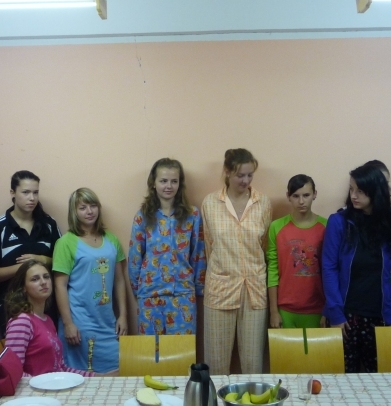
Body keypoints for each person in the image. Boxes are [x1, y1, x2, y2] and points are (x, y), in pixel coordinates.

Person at [322, 164, 391, 373]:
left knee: (380, 380)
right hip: (345, 316)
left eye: (360, 191)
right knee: (342, 379)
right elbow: (328, 267)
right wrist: (335, 314)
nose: (353, 195)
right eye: (351, 189)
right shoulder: (339, 221)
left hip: (382, 316)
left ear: (375, 191)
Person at [201, 148, 272, 375]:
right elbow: (209, 246)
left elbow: (264, 246)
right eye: (240, 175)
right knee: (216, 363)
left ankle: (251, 401)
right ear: (227, 172)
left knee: (253, 363)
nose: (245, 180)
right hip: (220, 288)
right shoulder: (210, 203)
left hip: (254, 290)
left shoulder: (263, 203)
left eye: (250, 175)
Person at [128, 158, 206, 336]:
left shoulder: (192, 215)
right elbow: (135, 257)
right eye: (163, 181)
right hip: (149, 295)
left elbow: (198, 255)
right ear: (153, 183)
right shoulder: (142, 217)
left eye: (174, 181)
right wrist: (138, 290)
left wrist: (198, 287)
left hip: (183, 295)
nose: (168, 186)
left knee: (182, 350)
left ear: (180, 183)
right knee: (150, 351)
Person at [53, 188, 127, 373]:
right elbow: (60, 285)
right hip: (79, 321)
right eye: (83, 207)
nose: (89, 211)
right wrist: (68, 324)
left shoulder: (111, 239)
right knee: (82, 377)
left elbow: (119, 281)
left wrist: (123, 316)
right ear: (74, 212)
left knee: (118, 371)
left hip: (107, 321)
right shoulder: (65, 243)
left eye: (93, 206)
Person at [3, 259, 118, 377]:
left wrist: (99, 377)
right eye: (35, 279)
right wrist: (41, 383)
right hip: (35, 388)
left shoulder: (47, 320)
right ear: (23, 287)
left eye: (46, 277)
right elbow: (12, 371)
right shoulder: (21, 321)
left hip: (54, 384)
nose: (43, 282)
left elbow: (61, 369)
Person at [0, 170, 62, 330]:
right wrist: (25, 268)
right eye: (25, 192)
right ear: (13, 193)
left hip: (46, 307)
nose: (32, 198)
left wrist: (42, 260)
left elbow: (63, 263)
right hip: (11, 307)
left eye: (35, 192)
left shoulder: (49, 224)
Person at [267, 174, 327, 331]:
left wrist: (329, 309)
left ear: (314, 194)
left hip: (317, 308)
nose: (301, 201)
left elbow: (332, 271)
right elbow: (272, 270)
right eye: (296, 196)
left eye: (306, 195)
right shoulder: (276, 227)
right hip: (285, 309)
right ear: (288, 196)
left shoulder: (326, 227)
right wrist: (273, 311)